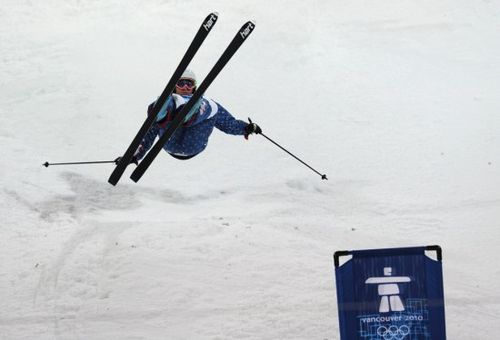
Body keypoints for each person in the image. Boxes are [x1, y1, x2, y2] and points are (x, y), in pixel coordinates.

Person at [117, 69, 261, 165]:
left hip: (194, 144)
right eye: (181, 83)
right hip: (170, 142)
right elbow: (149, 134)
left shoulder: (207, 103)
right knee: (165, 112)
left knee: (210, 106)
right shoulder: (172, 100)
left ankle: (188, 111)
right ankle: (169, 111)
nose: (185, 86)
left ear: (194, 87)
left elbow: (228, 124)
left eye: (189, 83)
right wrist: (134, 155)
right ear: (175, 86)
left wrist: (246, 128)